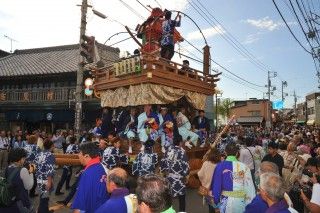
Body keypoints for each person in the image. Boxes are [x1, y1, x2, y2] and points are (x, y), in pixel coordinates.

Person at [210, 142, 255, 213]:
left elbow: (216, 187)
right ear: (237, 153)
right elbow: (250, 188)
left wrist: (216, 204)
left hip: (225, 202)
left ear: (225, 153)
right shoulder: (245, 167)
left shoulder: (219, 166)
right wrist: (249, 205)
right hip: (241, 202)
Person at [71, 142, 109, 213]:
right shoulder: (102, 167)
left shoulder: (88, 173)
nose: (78, 155)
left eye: (80, 153)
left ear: (87, 156)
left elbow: (79, 206)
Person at [160, 135, 189, 212]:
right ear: (180, 142)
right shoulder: (182, 152)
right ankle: (181, 211)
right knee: (182, 197)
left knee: (168, 197)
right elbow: (185, 167)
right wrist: (185, 176)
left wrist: (163, 171)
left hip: (169, 177)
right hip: (179, 179)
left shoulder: (168, 150)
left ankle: (168, 211)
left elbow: (162, 162)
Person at [0, 148, 34, 213]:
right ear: (20, 159)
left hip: (7, 199)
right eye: (24, 158)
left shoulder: (7, 168)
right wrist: (31, 172)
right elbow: (29, 186)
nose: (24, 160)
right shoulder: (23, 170)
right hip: (20, 202)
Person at [35, 139, 55, 213]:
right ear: (51, 146)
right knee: (44, 199)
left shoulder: (39, 154)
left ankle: (43, 210)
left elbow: (36, 166)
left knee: (42, 197)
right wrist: (49, 182)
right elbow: (49, 170)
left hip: (39, 178)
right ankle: (44, 211)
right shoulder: (50, 155)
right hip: (45, 179)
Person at [198, 148, 221, 213]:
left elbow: (200, 175)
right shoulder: (220, 165)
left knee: (211, 208)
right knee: (218, 208)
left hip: (207, 191)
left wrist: (204, 182)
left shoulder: (205, 163)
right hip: (218, 191)